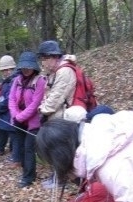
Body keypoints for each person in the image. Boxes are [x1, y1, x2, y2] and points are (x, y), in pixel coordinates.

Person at [36, 40, 79, 189]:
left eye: (45, 59)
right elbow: (48, 95)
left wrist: (42, 110)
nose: (43, 63)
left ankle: (61, 179)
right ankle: (58, 176)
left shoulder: (65, 72)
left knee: (60, 149)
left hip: (64, 118)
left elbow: (55, 99)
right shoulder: (53, 73)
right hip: (57, 116)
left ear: (53, 57)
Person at [8, 51, 46, 188]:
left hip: (32, 122)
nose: (26, 70)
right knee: (20, 148)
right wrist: (15, 115)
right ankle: (26, 171)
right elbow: (11, 99)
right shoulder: (17, 80)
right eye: (24, 67)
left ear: (34, 67)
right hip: (18, 120)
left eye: (28, 67)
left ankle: (28, 177)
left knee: (29, 148)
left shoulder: (40, 81)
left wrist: (20, 116)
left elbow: (35, 104)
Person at [0, 55, 19, 162]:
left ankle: (15, 156)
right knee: (0, 129)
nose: (6, 72)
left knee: (14, 134)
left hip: (11, 111)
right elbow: (2, 96)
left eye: (8, 69)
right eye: (4, 70)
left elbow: (8, 99)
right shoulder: (6, 81)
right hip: (3, 111)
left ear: (12, 68)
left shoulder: (15, 80)